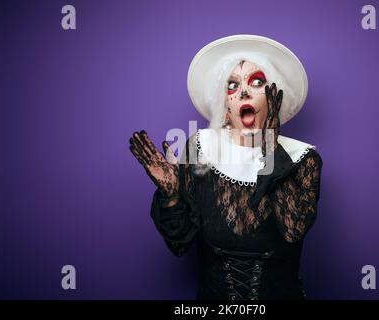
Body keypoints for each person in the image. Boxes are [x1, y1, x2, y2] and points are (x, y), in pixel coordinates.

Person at [129, 35, 323, 300]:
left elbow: (292, 230)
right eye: (232, 85)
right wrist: (172, 197)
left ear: (274, 96)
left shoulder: (303, 158)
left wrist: (270, 147)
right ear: (225, 105)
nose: (243, 91)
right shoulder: (200, 149)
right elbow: (179, 245)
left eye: (257, 82)